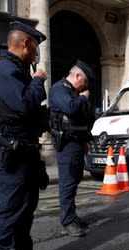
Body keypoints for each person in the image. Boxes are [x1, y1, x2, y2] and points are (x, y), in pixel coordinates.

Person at [0, 21, 56, 250]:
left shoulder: (16, 71)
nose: (37, 52)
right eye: (36, 45)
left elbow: (29, 110)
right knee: (11, 209)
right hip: (11, 150)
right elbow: (23, 104)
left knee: (27, 206)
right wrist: (38, 80)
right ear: (26, 43)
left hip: (26, 147)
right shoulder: (3, 69)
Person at [49, 60, 95, 237]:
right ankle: (67, 221)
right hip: (66, 144)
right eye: (84, 82)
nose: (85, 87)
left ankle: (72, 215)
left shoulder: (73, 92)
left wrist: (85, 142)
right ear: (77, 76)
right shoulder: (59, 89)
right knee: (67, 184)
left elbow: (82, 119)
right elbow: (70, 108)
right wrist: (83, 98)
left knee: (74, 182)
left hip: (76, 143)